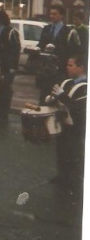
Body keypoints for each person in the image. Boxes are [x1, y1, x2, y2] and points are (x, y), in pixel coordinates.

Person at [46, 54, 87, 191]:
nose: (67, 68)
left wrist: (62, 96)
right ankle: (62, 175)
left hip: (76, 126)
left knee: (74, 152)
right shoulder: (68, 83)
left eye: (71, 65)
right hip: (64, 122)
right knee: (62, 149)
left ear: (81, 68)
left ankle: (74, 179)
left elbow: (78, 108)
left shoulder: (85, 87)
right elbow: (59, 100)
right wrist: (51, 99)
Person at [35, 4, 81, 103]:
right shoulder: (46, 29)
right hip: (46, 70)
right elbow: (40, 44)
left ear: (62, 16)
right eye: (50, 13)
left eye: (55, 14)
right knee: (43, 97)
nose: (51, 16)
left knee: (56, 98)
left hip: (60, 70)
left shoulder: (69, 31)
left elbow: (73, 51)